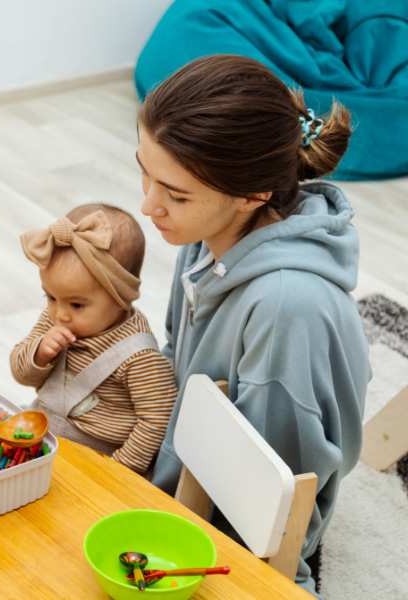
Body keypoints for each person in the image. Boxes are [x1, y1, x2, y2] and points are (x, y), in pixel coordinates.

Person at [136, 54, 370, 596]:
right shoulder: (207, 233)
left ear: (254, 194)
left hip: (241, 524)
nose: (148, 206)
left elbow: (276, 504)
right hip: (187, 458)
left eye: (174, 194)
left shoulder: (287, 308)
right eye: (145, 174)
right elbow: (178, 362)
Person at [11, 203, 177, 475]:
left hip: (97, 461)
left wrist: (119, 471)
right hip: (43, 434)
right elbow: (21, 372)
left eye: (76, 305)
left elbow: (157, 418)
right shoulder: (55, 318)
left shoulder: (139, 357)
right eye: (50, 297)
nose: (60, 314)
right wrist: (39, 353)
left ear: (120, 297)